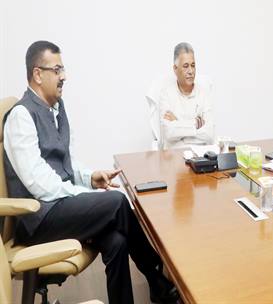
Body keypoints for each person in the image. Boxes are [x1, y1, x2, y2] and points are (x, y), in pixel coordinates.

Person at [3, 41, 178, 304]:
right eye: (57, 70)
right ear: (37, 74)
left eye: (63, 69)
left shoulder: (57, 108)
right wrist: (83, 194)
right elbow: (39, 184)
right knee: (117, 202)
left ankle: (150, 287)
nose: (64, 76)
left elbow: (67, 161)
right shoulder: (21, 116)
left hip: (60, 208)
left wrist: (89, 178)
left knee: (116, 240)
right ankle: (156, 277)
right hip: (38, 220)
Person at [159, 42, 214, 148]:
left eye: (193, 66)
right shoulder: (166, 94)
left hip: (200, 155)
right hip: (175, 155)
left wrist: (177, 124)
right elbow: (168, 133)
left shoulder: (204, 93)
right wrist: (196, 124)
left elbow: (209, 134)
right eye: (185, 66)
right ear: (175, 69)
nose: (191, 71)